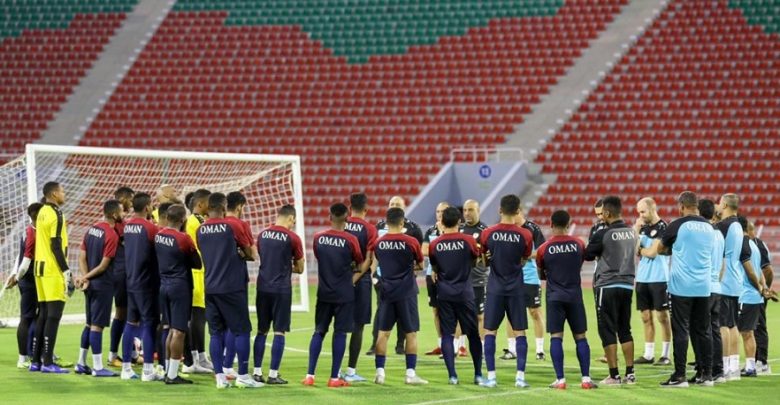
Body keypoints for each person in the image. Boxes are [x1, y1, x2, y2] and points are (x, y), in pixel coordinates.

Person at [650, 191, 714, 388]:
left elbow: (660, 249)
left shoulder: (677, 224)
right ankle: (706, 374)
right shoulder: (709, 227)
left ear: (682, 206)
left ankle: (680, 375)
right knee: (703, 331)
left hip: (682, 286)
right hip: (703, 286)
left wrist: (675, 250)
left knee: (680, 330)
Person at [196, 193, 260, 389]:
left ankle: (220, 378)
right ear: (224, 208)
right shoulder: (233, 226)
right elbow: (251, 254)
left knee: (215, 333)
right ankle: (243, 375)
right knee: (241, 331)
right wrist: (240, 253)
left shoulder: (200, 229)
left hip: (210, 287)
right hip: (232, 286)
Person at [303, 203, 368, 387]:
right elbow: (359, 264)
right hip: (344, 293)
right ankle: (333, 378)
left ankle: (310, 376)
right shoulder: (351, 239)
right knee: (340, 333)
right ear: (347, 219)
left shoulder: (318, 237)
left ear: (329, 217)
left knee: (319, 331)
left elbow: (320, 257)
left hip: (324, 292)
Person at [536, 210, 597, 389]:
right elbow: (582, 261)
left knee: (556, 337)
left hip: (554, 296)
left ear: (551, 224)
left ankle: (561, 380)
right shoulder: (578, 244)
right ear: (568, 224)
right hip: (574, 296)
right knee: (581, 337)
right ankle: (586, 379)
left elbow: (541, 273)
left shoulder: (544, 248)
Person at [480, 194, 533, 388]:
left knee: (490, 331)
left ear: (500, 210)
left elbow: (484, 261)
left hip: (495, 288)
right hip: (516, 288)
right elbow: (524, 260)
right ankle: (520, 377)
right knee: (520, 332)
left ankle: (492, 377)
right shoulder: (525, 235)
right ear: (518, 211)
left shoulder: (488, 233)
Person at [370, 207, 427, 385]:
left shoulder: (379, 243)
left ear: (387, 223)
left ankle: (380, 373)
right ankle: (410, 374)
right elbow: (420, 265)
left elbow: (376, 264)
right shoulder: (411, 241)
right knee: (411, 333)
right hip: (407, 292)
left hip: (387, 292)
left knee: (383, 334)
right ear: (402, 223)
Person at [584, 195, 636, 386]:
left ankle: (614, 375)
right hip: (627, 285)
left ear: (607, 213)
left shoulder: (603, 233)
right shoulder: (632, 232)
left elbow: (588, 255)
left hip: (607, 285)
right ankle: (630, 373)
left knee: (607, 330)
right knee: (625, 329)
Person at [428, 206, 483, 385]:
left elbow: (435, 267)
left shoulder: (435, 244)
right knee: (473, 335)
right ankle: (478, 374)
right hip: (465, 293)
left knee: (447, 335)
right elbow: (475, 261)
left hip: (444, 294)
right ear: (459, 221)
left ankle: (452, 376)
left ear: (442, 222)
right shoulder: (468, 240)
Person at [254, 204, 304, 384]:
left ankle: (257, 372)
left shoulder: (262, 235)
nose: (293, 224)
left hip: (262, 287)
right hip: (281, 289)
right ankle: (273, 375)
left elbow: (263, 257)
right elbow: (300, 268)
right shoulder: (293, 238)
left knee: (261, 330)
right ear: (290, 218)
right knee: (279, 332)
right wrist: (287, 267)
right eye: (293, 221)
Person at [75, 200, 124, 377]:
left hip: (90, 285)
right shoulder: (111, 235)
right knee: (97, 326)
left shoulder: (91, 229)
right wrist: (86, 278)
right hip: (102, 284)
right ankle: (97, 367)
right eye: (121, 211)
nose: (123, 214)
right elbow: (103, 266)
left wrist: (85, 278)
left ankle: (81, 363)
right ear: (114, 214)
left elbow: (82, 257)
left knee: (89, 324)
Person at [156, 204, 199, 385]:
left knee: (170, 329)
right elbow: (197, 263)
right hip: (180, 287)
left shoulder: (159, 236)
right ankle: (173, 375)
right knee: (179, 331)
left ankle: (168, 370)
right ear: (183, 220)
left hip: (163, 286)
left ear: (167, 218)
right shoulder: (183, 238)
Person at [30, 181, 70, 374]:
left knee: (43, 315)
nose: (64, 194)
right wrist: (66, 270)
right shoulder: (56, 213)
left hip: (39, 268)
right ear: (54, 194)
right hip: (52, 270)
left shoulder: (41, 212)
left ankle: (35, 361)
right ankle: (47, 362)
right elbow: (56, 245)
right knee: (53, 316)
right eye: (62, 191)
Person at [121, 192, 162, 381]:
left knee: (131, 322)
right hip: (146, 282)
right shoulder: (150, 228)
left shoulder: (128, 226)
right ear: (147, 207)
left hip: (130, 280)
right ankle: (147, 370)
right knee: (148, 323)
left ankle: (126, 368)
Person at [342, 192, 378, 382]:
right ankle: (350, 371)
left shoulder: (341, 224)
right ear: (366, 209)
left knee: (340, 325)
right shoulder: (370, 229)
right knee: (358, 326)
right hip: (361, 281)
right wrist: (354, 279)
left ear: (350, 208)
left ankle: (335, 371)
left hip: (340, 280)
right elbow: (368, 259)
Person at [632, 197, 671, 366]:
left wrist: (640, 250)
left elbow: (652, 253)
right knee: (645, 317)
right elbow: (633, 250)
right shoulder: (641, 228)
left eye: (643, 211)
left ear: (652, 209)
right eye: (638, 212)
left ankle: (665, 355)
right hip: (642, 278)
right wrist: (635, 230)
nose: (640, 215)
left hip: (659, 277)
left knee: (662, 317)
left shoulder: (663, 227)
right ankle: (648, 354)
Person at [222, 191, 255, 379]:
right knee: (239, 327)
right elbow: (251, 253)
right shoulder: (240, 224)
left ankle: (222, 368)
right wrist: (243, 254)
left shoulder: (215, 224)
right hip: (235, 281)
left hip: (214, 281)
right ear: (240, 206)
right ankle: (235, 369)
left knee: (220, 328)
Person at [715, 193, 748, 380]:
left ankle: (724, 366)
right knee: (733, 324)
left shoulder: (723, 226)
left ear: (725, 205)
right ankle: (734, 366)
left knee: (722, 325)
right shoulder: (737, 225)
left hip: (724, 280)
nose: (718, 206)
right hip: (736, 279)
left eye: (720, 203)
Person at [8, 203, 43, 369]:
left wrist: (15, 274)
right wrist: (17, 277)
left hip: (33, 280)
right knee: (27, 317)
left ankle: (35, 353)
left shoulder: (31, 230)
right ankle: (22, 359)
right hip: (29, 281)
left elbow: (20, 256)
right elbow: (26, 260)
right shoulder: (32, 234)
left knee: (37, 316)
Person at [736, 217, 771, 378]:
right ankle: (750, 366)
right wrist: (763, 288)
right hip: (755, 296)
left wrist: (759, 287)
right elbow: (759, 271)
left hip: (746, 295)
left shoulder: (742, 244)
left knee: (741, 332)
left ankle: (742, 366)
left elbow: (751, 271)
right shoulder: (753, 245)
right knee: (748, 332)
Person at [510, 209, 547, 361]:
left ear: (519, 212)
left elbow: (542, 251)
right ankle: (512, 350)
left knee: (535, 312)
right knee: (511, 314)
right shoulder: (508, 230)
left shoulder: (533, 229)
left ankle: (540, 350)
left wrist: (524, 255)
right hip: (512, 278)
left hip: (530, 278)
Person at [184, 189, 212, 373]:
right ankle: (195, 359)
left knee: (198, 316)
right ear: (200, 204)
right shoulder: (197, 222)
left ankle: (199, 357)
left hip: (198, 272)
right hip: (197, 273)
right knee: (197, 317)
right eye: (209, 202)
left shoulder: (193, 221)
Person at [698, 199, 726, 383]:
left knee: (702, 330)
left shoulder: (704, 234)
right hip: (717, 286)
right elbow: (722, 264)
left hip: (704, 287)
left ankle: (705, 371)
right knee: (714, 329)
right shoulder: (719, 235)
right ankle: (718, 370)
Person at [108, 186, 134, 367]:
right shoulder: (117, 224)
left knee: (130, 314)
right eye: (130, 199)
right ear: (123, 199)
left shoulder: (121, 222)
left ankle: (131, 353)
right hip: (121, 273)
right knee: (122, 313)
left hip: (125, 272)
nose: (131, 203)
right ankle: (112, 355)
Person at [422, 202, 450, 356]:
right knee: (436, 310)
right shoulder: (431, 230)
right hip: (431, 275)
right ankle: (440, 344)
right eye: (438, 211)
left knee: (450, 310)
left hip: (449, 274)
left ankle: (456, 344)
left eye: (443, 211)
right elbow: (424, 250)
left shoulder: (454, 229)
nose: (440, 214)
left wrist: (441, 235)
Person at [460, 199, 488, 341]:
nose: (467, 213)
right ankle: (459, 346)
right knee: (459, 314)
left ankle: (481, 347)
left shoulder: (485, 231)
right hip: (460, 280)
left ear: (478, 211)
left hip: (478, 280)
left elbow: (488, 257)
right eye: (465, 210)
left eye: (470, 210)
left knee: (479, 315)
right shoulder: (459, 229)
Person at [748, 222, 774, 374]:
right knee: (750, 327)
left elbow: (768, 270)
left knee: (759, 326)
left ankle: (762, 362)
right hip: (753, 291)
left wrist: (765, 290)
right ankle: (755, 360)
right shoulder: (751, 244)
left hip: (757, 292)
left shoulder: (757, 245)